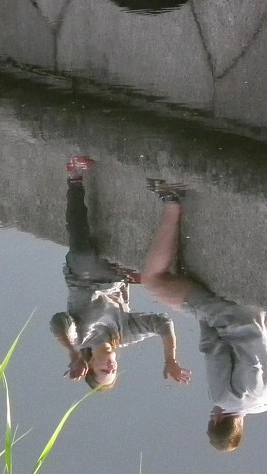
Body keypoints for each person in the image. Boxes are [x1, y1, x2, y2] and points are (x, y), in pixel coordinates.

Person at [141, 181, 267, 451]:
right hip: (232, 317)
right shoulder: (224, 398)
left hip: (265, 315)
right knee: (153, 281)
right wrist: (192, 306)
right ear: (216, 419)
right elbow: (213, 347)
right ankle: (172, 202)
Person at [50, 157, 191, 390]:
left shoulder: (81, 338)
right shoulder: (123, 335)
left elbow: (58, 322)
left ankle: (74, 178)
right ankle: (168, 197)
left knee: (82, 253)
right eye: (114, 372)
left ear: (91, 364)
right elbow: (162, 323)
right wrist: (170, 359)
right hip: (117, 278)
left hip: (85, 277)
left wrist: (73, 353)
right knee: (165, 273)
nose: (112, 367)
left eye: (104, 371)